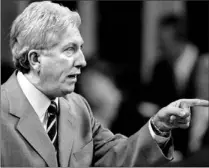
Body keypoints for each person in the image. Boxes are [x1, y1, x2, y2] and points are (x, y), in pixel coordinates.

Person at [1, 1, 208, 167]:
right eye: (70, 49)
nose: (82, 61)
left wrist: (158, 128)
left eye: (80, 48)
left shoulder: (78, 107)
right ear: (36, 60)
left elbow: (117, 159)